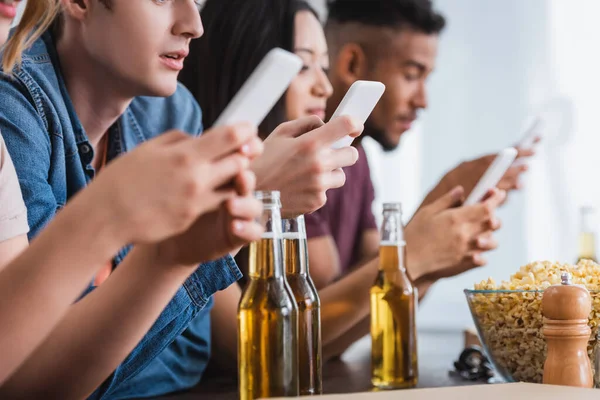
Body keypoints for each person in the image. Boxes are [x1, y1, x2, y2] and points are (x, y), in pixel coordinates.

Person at [127, 0, 501, 398]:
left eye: (322, 66)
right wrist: (415, 256)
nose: (325, 86)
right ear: (249, 70)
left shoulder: (339, 170)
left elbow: (373, 303)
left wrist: (428, 259)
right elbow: (246, 346)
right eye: (304, 65)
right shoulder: (189, 181)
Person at [0, 0, 362, 398]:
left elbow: (189, 352)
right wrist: (250, 197)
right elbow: (36, 374)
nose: (194, 25)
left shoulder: (173, 113)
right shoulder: (13, 109)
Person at [301, 0, 539, 288]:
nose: (422, 101)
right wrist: (435, 211)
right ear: (352, 64)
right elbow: (318, 323)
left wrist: (435, 259)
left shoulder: (356, 160)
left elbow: (383, 294)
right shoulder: (301, 161)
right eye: (411, 75)